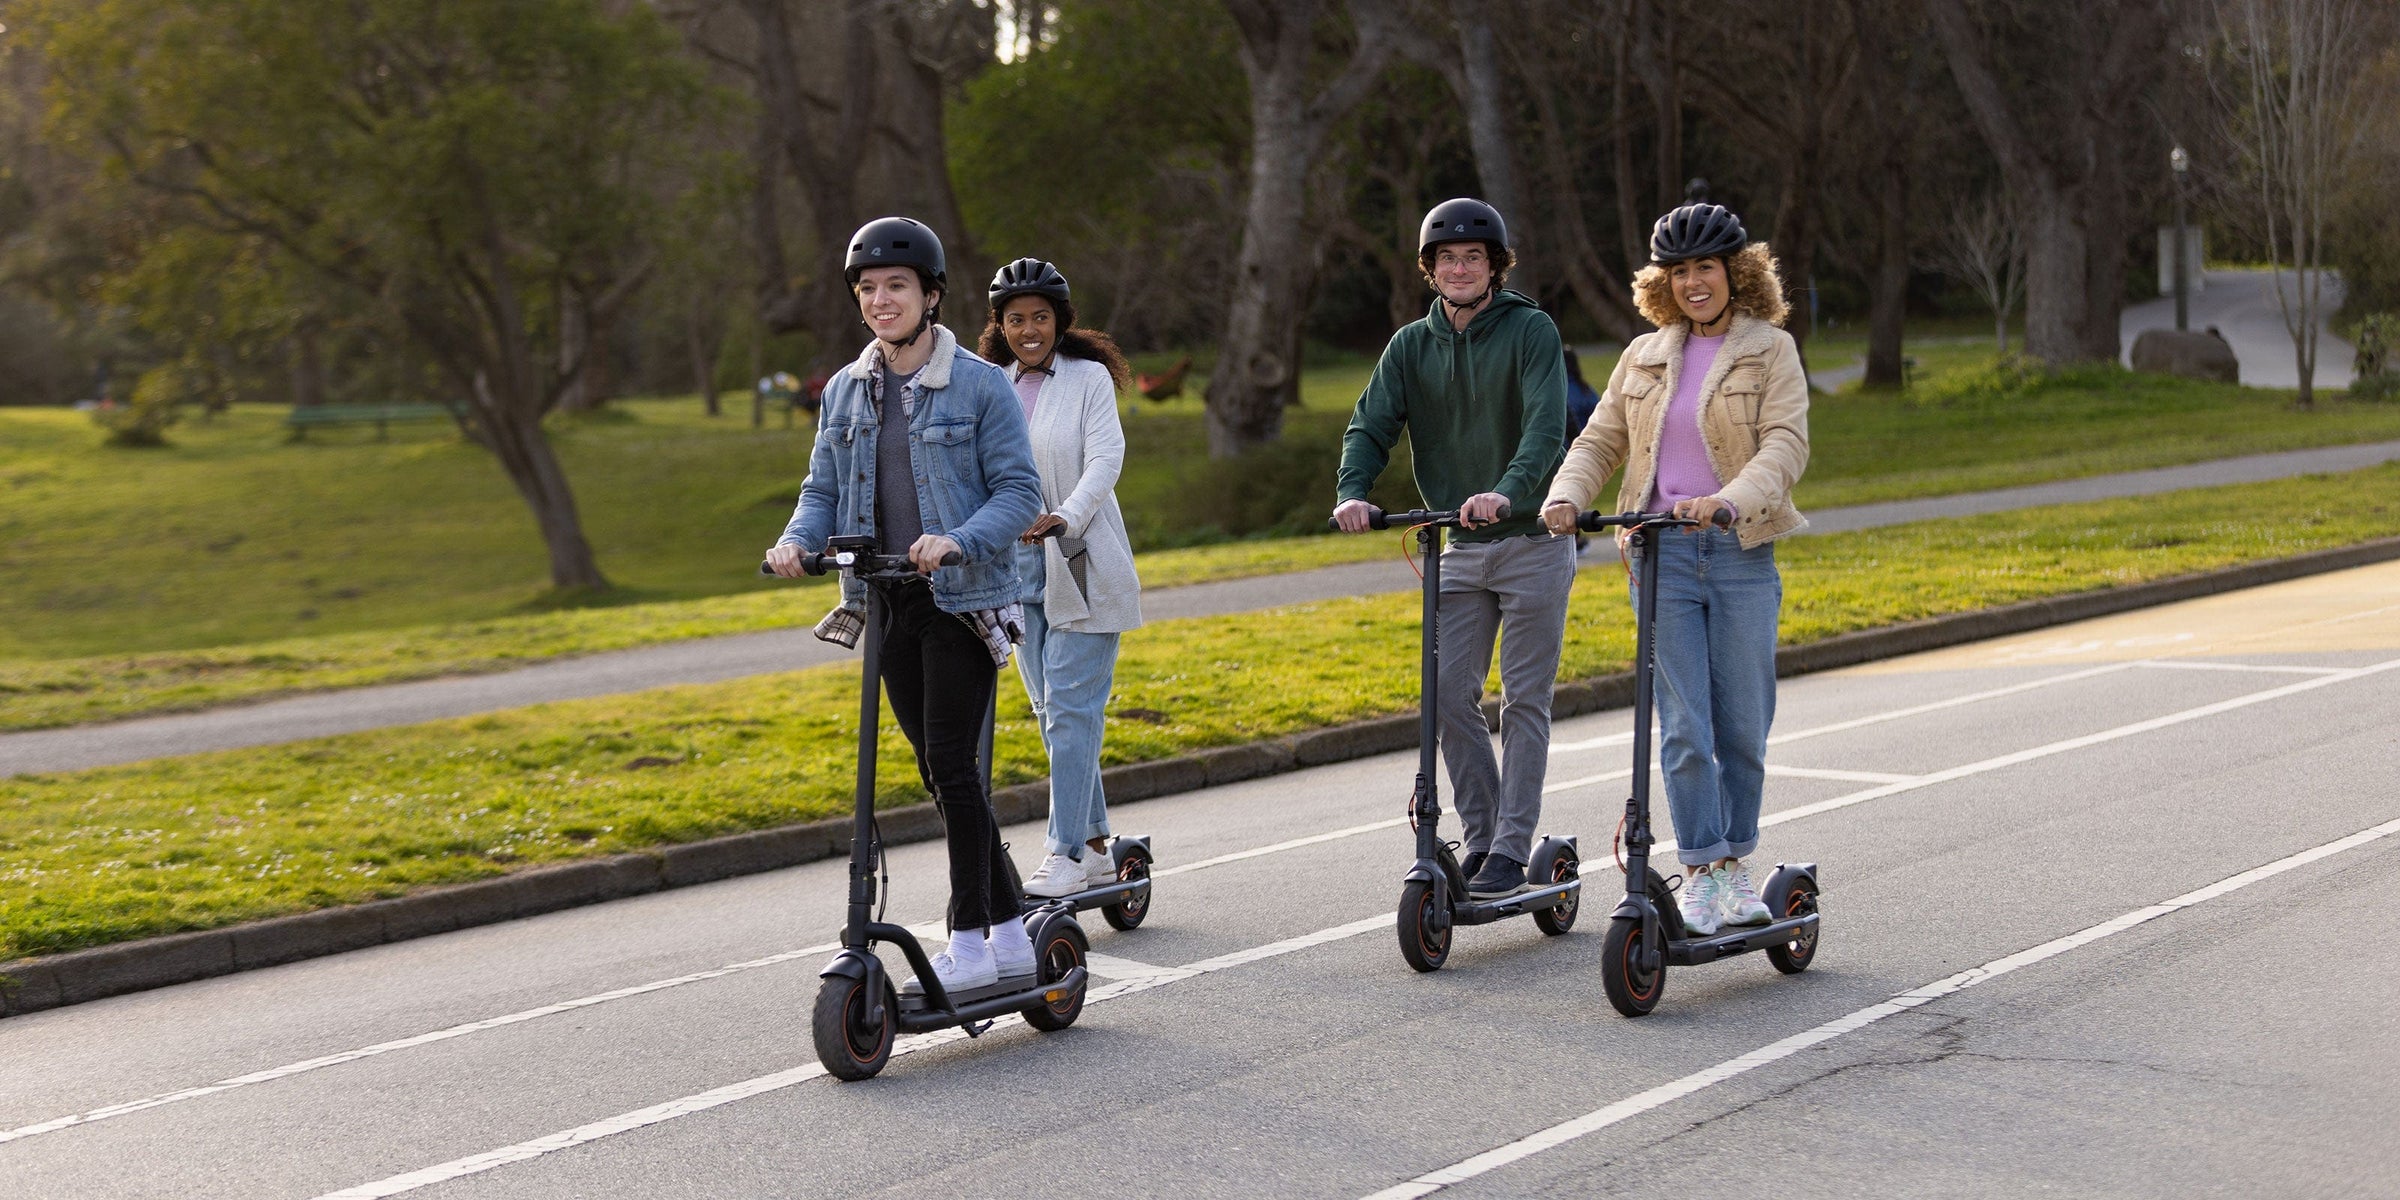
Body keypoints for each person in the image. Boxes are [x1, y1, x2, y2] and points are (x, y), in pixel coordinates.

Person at [766, 216, 1044, 994]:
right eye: (868, 289)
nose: (881, 301)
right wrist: (796, 542)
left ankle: (970, 941)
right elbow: (820, 489)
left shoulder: (981, 386)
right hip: (884, 600)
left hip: (962, 600)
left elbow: (1020, 492)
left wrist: (957, 538)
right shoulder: (848, 391)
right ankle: (1014, 929)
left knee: (954, 764)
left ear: (931, 296)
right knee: (938, 770)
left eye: (896, 287)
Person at [1539, 202, 1810, 936]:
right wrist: (1566, 496)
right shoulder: (1644, 355)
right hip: (1658, 553)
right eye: (1680, 271)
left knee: (1742, 725)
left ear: (1736, 273)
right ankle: (1699, 872)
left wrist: (1728, 500)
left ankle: (1736, 868)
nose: (1694, 283)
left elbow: (1785, 446)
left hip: (1738, 550)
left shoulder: (1770, 350)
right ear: (1664, 282)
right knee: (1684, 724)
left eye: (1707, 269)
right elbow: (1599, 441)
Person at [1333, 197, 1572, 898]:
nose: (1459, 268)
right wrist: (1352, 491)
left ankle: (1511, 847)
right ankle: (1484, 834)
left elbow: (1545, 429)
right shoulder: (1410, 345)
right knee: (1445, 696)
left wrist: (1508, 489)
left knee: (1524, 699)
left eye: (1473, 257)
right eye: (1446, 259)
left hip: (1529, 539)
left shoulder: (1531, 331)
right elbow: (1369, 424)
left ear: (1495, 266)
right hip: (1457, 548)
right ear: (1429, 270)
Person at [979, 258, 1145, 898]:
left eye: (1040, 318)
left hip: (1080, 560)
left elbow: (1106, 459)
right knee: (1055, 715)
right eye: (1016, 319)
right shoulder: (990, 384)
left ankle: (1067, 852)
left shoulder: (1088, 379)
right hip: (1012, 570)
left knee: (1072, 714)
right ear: (1000, 324)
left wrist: (1064, 515)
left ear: (1060, 321)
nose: (1029, 330)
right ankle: (1100, 846)